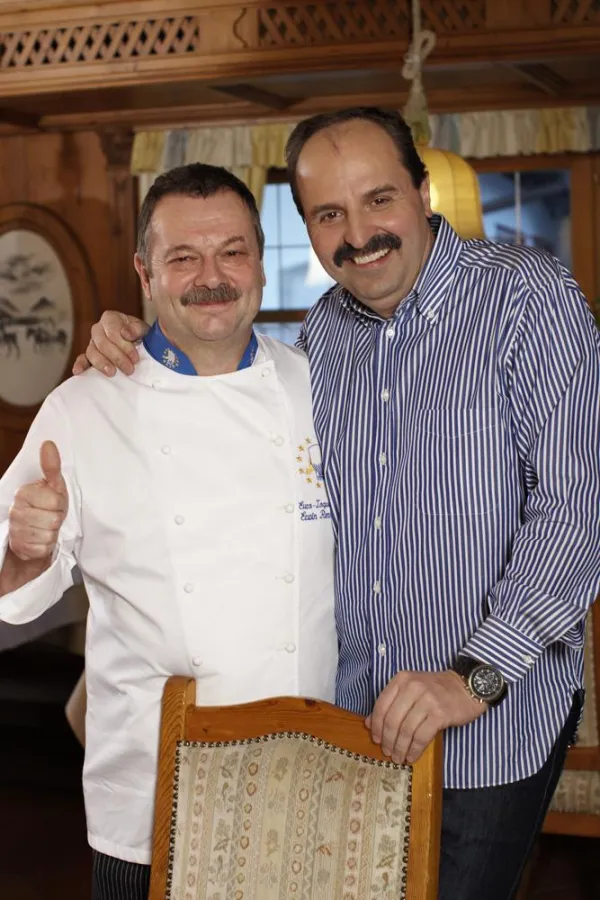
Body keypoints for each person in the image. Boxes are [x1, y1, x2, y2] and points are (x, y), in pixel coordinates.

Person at [75, 107, 600, 900]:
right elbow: (228, 437)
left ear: (424, 193)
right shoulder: (315, 341)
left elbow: (576, 510)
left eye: (379, 200)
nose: (359, 233)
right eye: (329, 214)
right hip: (344, 727)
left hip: (489, 721)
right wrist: (135, 346)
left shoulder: (527, 298)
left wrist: (474, 676)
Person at [0, 163, 337, 900]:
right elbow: (11, 592)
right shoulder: (83, 408)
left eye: (233, 251)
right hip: (153, 799)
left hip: (308, 781)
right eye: (183, 257)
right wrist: (24, 549)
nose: (210, 277)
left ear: (260, 259)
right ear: (144, 273)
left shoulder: (319, 387)